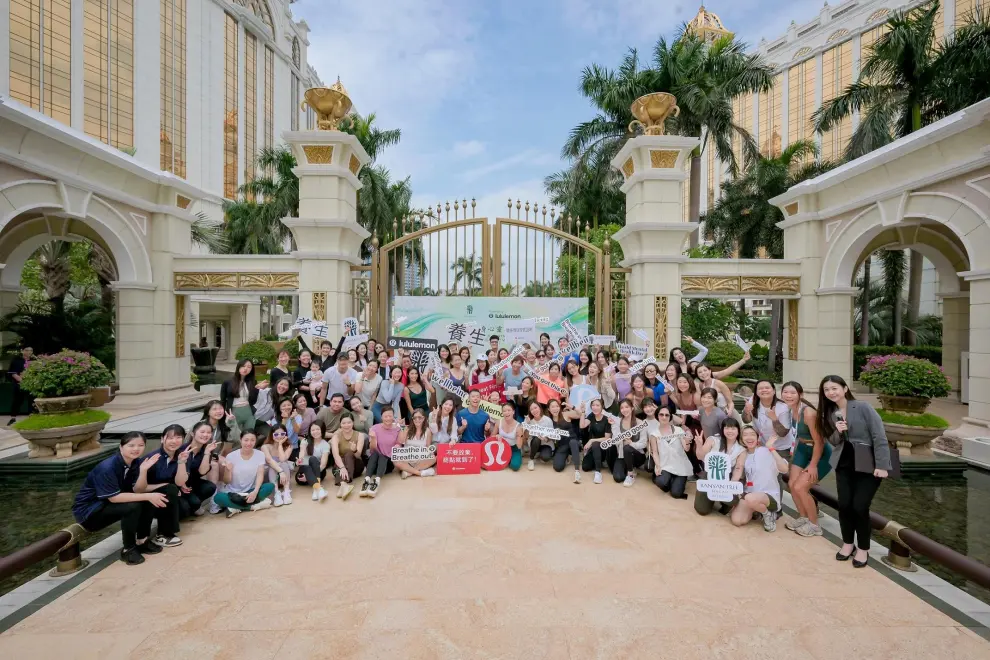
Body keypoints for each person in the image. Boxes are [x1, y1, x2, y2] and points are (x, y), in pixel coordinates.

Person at [817, 375, 890, 567]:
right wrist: (838, 431)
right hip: (844, 463)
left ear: (845, 388)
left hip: (868, 463)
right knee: (845, 505)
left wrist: (882, 465)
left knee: (860, 506)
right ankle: (848, 543)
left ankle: (863, 548)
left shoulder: (863, 407)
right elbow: (832, 442)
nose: (831, 392)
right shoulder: (831, 413)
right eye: (827, 390)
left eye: (834, 388)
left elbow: (879, 435)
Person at [72, 432, 172, 565]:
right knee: (133, 506)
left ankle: (142, 541)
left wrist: (144, 473)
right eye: (131, 445)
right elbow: (114, 498)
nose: (136, 449)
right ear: (121, 447)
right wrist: (148, 495)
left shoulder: (135, 463)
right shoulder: (107, 467)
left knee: (146, 500)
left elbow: (138, 489)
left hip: (106, 504)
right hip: (90, 512)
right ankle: (128, 549)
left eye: (140, 445)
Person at [781, 381, 831, 537]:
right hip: (803, 449)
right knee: (791, 483)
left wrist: (813, 465)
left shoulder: (808, 413)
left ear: (800, 395)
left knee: (800, 487)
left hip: (820, 453)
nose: (788, 396)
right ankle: (803, 517)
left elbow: (820, 442)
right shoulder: (790, 410)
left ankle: (815, 525)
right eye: (785, 392)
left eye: (792, 393)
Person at [133, 424, 187, 547]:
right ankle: (164, 534)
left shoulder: (182, 455)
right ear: (163, 439)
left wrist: (182, 462)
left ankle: (164, 531)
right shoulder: (152, 458)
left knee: (185, 507)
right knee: (170, 489)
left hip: (166, 496)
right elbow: (138, 489)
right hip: (144, 495)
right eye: (170, 438)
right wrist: (166, 485)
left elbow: (179, 482)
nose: (174, 441)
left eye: (178, 437)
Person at [731, 425, 789, 532]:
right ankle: (757, 511)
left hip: (768, 496)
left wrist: (771, 448)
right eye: (745, 435)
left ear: (758, 437)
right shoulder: (743, 455)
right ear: (741, 439)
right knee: (737, 520)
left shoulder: (766, 451)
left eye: (752, 434)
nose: (749, 437)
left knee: (750, 498)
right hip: (750, 495)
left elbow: (784, 469)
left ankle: (768, 515)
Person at [213, 430, 275, 517]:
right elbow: (227, 481)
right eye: (246, 440)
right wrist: (228, 470)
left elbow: (260, 474)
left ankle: (234, 507)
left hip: (250, 491)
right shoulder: (231, 456)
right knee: (218, 498)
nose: (249, 443)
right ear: (240, 440)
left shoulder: (260, 454)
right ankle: (252, 506)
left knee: (270, 486)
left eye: (252, 440)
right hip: (233, 493)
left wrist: (255, 491)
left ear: (255, 441)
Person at [693, 417, 745, 516]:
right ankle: (711, 498)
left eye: (733, 428)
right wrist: (699, 445)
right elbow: (700, 456)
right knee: (701, 510)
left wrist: (730, 486)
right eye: (727, 428)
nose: (730, 431)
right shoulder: (713, 440)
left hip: (727, 477)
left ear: (738, 430)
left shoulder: (741, 448)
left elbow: (739, 468)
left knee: (732, 501)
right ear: (722, 429)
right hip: (709, 475)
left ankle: (724, 503)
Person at [177, 421, 220, 517]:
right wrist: (181, 485)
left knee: (210, 487)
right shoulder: (183, 450)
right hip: (179, 485)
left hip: (192, 483)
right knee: (185, 509)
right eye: (202, 432)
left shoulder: (206, 449)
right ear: (193, 433)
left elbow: (202, 471)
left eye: (208, 433)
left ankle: (194, 504)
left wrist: (207, 452)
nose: (205, 435)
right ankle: (191, 505)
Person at [649, 408, 692, 499]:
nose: (664, 417)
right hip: (666, 464)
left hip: (680, 465)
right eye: (661, 414)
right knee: (660, 482)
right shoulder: (654, 434)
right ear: (657, 416)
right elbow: (655, 452)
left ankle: (676, 480)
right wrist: (658, 466)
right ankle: (669, 478)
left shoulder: (678, 430)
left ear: (670, 417)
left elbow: (686, 449)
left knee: (676, 494)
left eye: (667, 415)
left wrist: (687, 442)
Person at [362, 408, 402, 498]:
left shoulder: (398, 429)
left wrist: (397, 446)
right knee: (376, 453)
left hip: (388, 464)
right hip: (374, 464)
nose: (388, 418)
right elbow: (372, 449)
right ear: (381, 417)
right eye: (385, 416)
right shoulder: (374, 428)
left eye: (390, 416)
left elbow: (399, 444)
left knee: (382, 455)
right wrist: (373, 439)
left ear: (393, 417)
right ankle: (367, 480)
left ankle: (376, 481)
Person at [330, 412, 367, 499]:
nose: (346, 425)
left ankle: (344, 483)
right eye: (344, 423)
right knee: (340, 460)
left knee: (349, 453)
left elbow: (358, 456)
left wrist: (354, 450)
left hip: (356, 467)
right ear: (340, 424)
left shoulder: (359, 435)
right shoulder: (336, 436)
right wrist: (342, 468)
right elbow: (335, 455)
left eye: (349, 422)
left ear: (353, 423)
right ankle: (344, 485)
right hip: (340, 468)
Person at [220, 359, 262, 434]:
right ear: (238, 367)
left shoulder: (252, 382)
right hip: (234, 411)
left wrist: (257, 389)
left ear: (251, 370)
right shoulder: (228, 382)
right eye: (243, 366)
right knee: (234, 435)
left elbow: (253, 400)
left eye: (249, 367)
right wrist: (222, 414)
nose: (246, 368)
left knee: (248, 434)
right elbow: (223, 400)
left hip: (248, 411)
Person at [613, 398, 648, 486]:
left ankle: (630, 474)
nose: (624, 410)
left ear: (632, 408)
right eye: (622, 408)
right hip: (622, 454)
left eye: (627, 407)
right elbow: (615, 439)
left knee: (628, 448)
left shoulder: (640, 423)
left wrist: (631, 443)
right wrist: (623, 439)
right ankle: (630, 468)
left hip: (638, 456)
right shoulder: (617, 422)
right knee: (618, 478)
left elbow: (644, 443)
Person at [394, 408, 437, 478]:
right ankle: (419, 473)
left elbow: (428, 447)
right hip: (407, 458)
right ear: (412, 419)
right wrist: (402, 427)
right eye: (415, 418)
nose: (417, 420)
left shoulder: (427, 431)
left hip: (420, 459)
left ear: (423, 418)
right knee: (396, 461)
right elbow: (401, 441)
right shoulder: (407, 429)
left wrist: (430, 455)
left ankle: (409, 472)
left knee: (433, 458)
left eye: (419, 418)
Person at [547, 398, 582, 482]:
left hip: (573, 441)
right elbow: (549, 437)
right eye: (552, 407)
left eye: (557, 406)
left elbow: (579, 414)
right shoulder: (548, 421)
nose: (555, 409)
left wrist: (572, 407)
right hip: (562, 445)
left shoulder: (565, 414)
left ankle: (577, 471)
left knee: (573, 443)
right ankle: (567, 456)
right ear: (549, 409)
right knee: (557, 467)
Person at [296, 421, 332, 501]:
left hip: (319, 471)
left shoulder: (325, 444)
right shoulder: (305, 441)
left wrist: (310, 476)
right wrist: (307, 474)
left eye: (317, 429)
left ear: (322, 430)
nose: (315, 432)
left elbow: (323, 465)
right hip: (303, 476)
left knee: (313, 459)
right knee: (309, 459)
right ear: (310, 431)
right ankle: (319, 489)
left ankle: (316, 490)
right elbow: (302, 458)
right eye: (313, 430)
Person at [579, 399, 612, 484]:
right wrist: (583, 412)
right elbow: (582, 425)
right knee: (585, 467)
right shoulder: (591, 416)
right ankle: (599, 460)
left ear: (602, 407)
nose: (595, 407)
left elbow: (607, 438)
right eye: (593, 405)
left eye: (597, 405)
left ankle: (598, 472)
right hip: (594, 448)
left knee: (595, 444)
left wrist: (591, 440)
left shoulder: (607, 419)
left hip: (605, 446)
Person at [261, 425, 294, 506]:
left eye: (282, 434)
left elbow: (282, 459)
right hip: (270, 477)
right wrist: (281, 471)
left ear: (286, 434)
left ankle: (286, 491)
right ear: (271, 435)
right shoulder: (265, 447)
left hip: (284, 478)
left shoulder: (289, 446)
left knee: (283, 463)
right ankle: (276, 494)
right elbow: (269, 460)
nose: (279, 436)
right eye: (276, 434)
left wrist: (280, 445)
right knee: (273, 465)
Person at [522, 400, 552, 471]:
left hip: (545, 443)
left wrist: (546, 439)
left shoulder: (547, 420)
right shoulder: (528, 419)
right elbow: (525, 436)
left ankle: (537, 453)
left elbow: (552, 436)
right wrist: (528, 424)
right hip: (534, 442)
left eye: (535, 408)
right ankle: (531, 459)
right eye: (531, 409)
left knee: (546, 458)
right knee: (537, 438)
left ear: (539, 408)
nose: (534, 410)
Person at [7, 345, 32, 425]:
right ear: (23, 351)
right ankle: (13, 418)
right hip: (18, 384)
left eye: (31, 350)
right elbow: (13, 374)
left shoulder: (34, 361)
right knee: (17, 401)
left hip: (31, 384)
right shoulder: (16, 361)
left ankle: (32, 417)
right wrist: (22, 381)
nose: (29, 352)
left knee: (32, 400)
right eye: (27, 350)